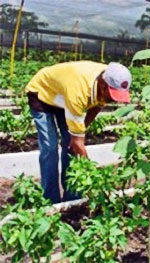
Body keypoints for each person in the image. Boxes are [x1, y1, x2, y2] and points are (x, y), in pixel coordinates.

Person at [25, 61, 132, 204]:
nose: (113, 99)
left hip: (63, 96)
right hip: (42, 93)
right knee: (50, 148)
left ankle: (73, 198)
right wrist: (90, 173)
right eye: (112, 95)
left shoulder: (108, 78)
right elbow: (78, 143)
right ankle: (50, 200)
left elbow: (97, 106)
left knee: (70, 146)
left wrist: (80, 130)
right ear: (103, 85)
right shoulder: (79, 92)